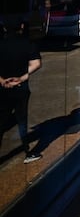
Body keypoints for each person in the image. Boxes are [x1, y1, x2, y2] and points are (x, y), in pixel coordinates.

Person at [0, 21, 43, 163]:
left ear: (5, 28)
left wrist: (2, 80)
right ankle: (27, 152)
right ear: (22, 27)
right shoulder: (27, 43)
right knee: (22, 120)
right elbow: (36, 63)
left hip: (3, 88)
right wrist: (22, 77)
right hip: (21, 87)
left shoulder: (1, 43)